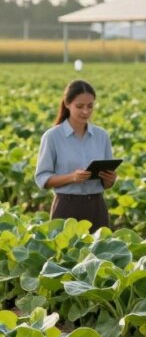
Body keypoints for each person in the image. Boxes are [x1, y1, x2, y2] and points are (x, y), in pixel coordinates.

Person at [34, 80, 117, 228]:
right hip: (66, 207)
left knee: (99, 250)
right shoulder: (52, 136)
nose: (86, 111)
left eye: (90, 106)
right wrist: (72, 177)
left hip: (96, 207)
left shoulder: (102, 136)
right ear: (67, 104)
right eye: (80, 106)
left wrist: (110, 179)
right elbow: (42, 178)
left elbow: (107, 184)